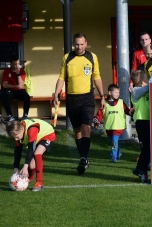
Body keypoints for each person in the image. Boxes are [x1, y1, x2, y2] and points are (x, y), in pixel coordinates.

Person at [54, 32, 106, 175]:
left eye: (82, 44)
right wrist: (57, 93)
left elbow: (97, 77)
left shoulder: (92, 57)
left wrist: (102, 96)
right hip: (72, 98)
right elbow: (61, 78)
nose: (79, 46)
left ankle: (83, 159)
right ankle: (83, 157)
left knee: (85, 128)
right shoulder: (67, 57)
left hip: (87, 98)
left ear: (86, 43)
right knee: (77, 130)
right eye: (77, 44)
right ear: (73, 44)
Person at [6, 119, 56, 191]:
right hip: (38, 137)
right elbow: (17, 152)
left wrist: (25, 166)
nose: (16, 139)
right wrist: (15, 169)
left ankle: (39, 183)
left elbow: (31, 148)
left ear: (22, 129)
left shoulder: (32, 129)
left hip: (48, 134)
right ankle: (29, 178)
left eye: (16, 136)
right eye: (14, 138)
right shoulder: (18, 133)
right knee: (32, 165)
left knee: (37, 153)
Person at [93, 84, 133, 162]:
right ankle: (118, 153)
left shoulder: (121, 102)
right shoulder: (105, 104)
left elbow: (127, 111)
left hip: (118, 127)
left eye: (118, 92)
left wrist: (133, 112)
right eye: (116, 92)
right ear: (110, 93)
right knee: (113, 142)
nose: (118, 94)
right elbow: (99, 115)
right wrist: (96, 123)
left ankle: (113, 157)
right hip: (109, 127)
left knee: (114, 142)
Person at [130, 70, 152, 183]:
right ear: (143, 81)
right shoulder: (136, 91)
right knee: (147, 147)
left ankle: (143, 167)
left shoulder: (145, 89)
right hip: (142, 121)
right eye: (147, 79)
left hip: (150, 121)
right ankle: (141, 169)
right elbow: (147, 88)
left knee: (150, 147)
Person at [2, 55, 31, 121]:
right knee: (5, 97)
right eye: (15, 64)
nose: (17, 66)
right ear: (11, 64)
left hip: (20, 91)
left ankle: (25, 115)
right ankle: (10, 116)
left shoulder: (22, 71)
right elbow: (5, 85)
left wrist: (18, 74)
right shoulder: (7, 71)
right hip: (10, 91)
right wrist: (16, 86)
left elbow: (21, 85)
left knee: (27, 97)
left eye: (18, 63)